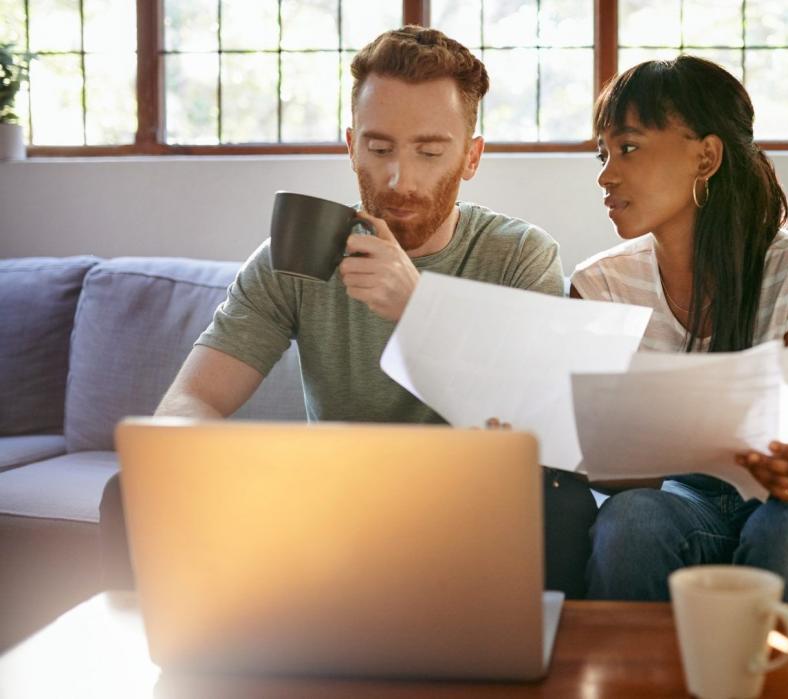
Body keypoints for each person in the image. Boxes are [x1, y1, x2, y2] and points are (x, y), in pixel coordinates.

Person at [98, 26, 596, 598]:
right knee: (135, 490)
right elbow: (191, 401)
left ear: (471, 157)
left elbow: (548, 432)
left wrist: (418, 307)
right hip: (333, 502)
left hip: (467, 498)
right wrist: (227, 470)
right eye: (379, 148)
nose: (398, 179)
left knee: (557, 503)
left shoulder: (517, 254)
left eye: (430, 152)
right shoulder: (300, 252)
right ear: (350, 145)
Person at [570, 56, 788, 603]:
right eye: (603, 154)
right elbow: (614, 475)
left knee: (786, 532)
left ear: (706, 156)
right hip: (681, 496)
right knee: (631, 526)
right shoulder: (601, 285)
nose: (605, 175)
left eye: (629, 147)